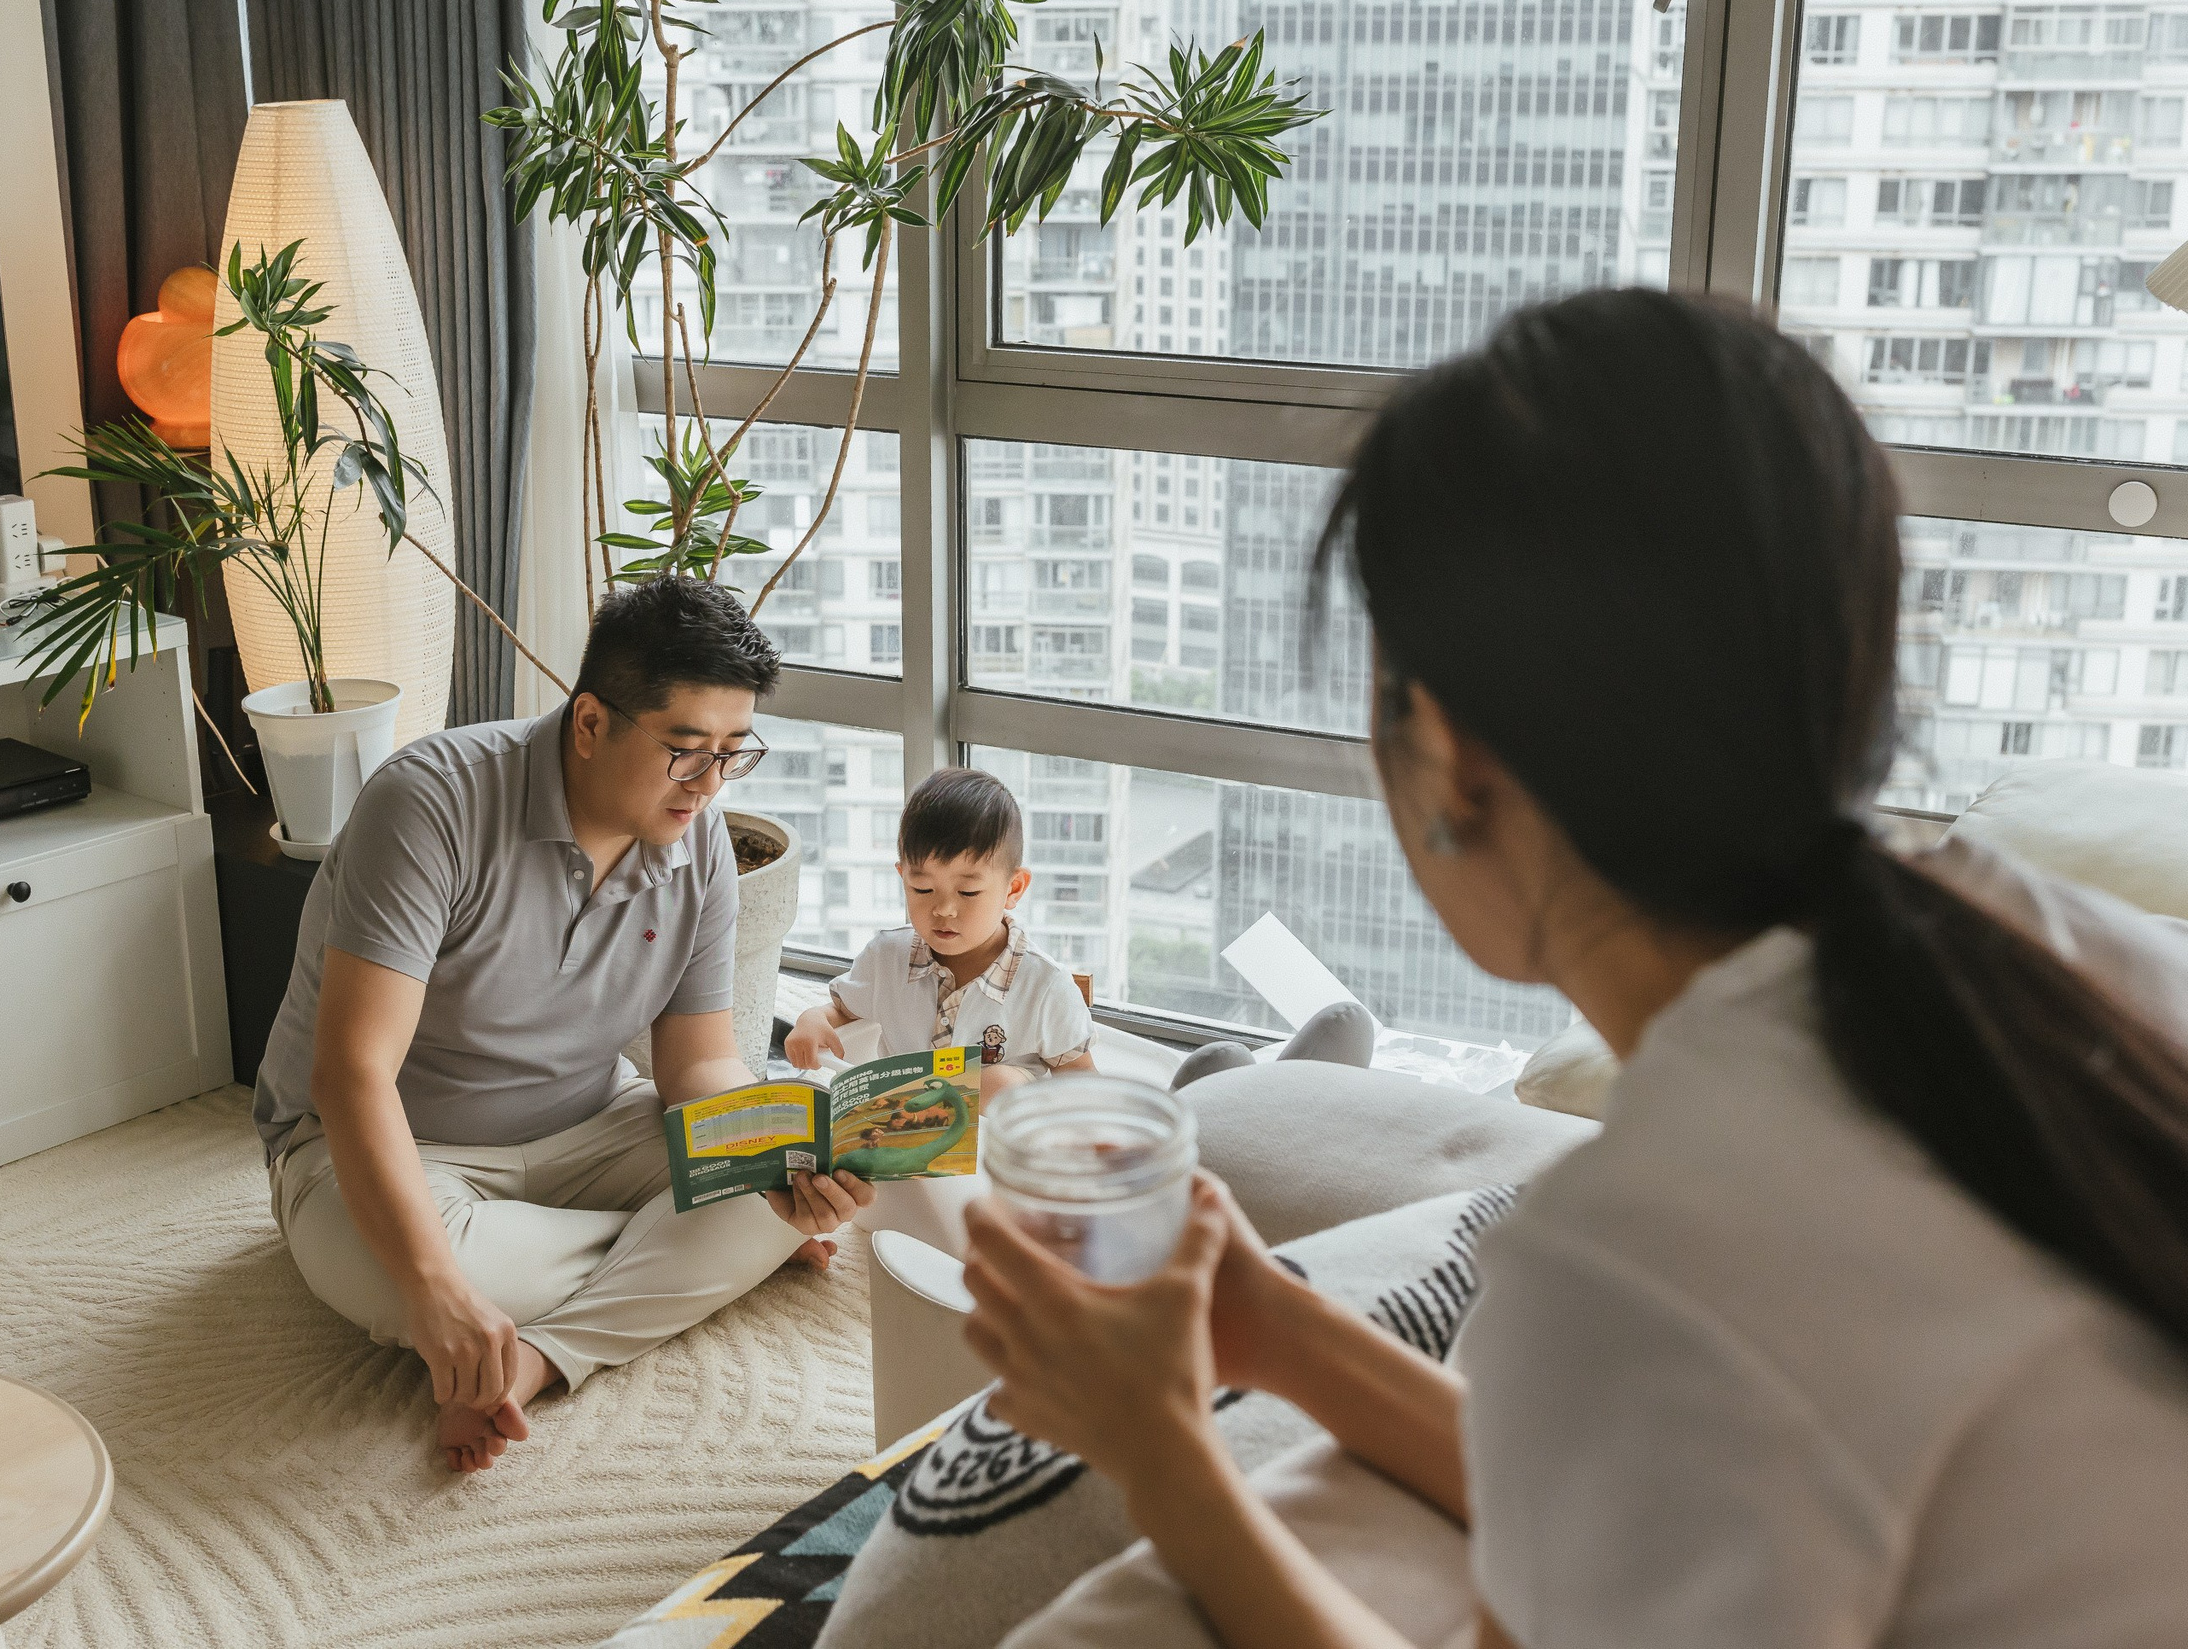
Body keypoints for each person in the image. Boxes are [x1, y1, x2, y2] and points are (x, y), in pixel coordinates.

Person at [960, 289, 2188, 1647]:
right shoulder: (2066, 950)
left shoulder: (1634, 1252)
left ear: (1448, 754)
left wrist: (1164, 1453)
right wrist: (1275, 1335)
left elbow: (1680, 1357)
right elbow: (1682, 1465)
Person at [254, 577, 872, 1473]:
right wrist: (435, 1287)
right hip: (383, 1146)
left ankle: (537, 1358)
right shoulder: (431, 806)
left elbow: (698, 1066)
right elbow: (352, 1074)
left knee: (800, 1135)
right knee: (418, 1276)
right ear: (590, 722)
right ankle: (669, 1260)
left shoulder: (699, 843)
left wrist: (772, 1161)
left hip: (592, 1123)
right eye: (686, 750)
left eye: (733, 754)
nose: (709, 785)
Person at [784, 767, 1095, 1253]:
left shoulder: (1045, 986)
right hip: (891, 1163)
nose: (943, 910)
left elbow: (1085, 1089)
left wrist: (1017, 1097)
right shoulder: (886, 957)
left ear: (1013, 888)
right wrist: (810, 1022)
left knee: (1003, 1085)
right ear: (902, 878)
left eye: (968, 892)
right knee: (801, 1145)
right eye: (922, 889)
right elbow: (836, 1011)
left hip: (990, 1177)